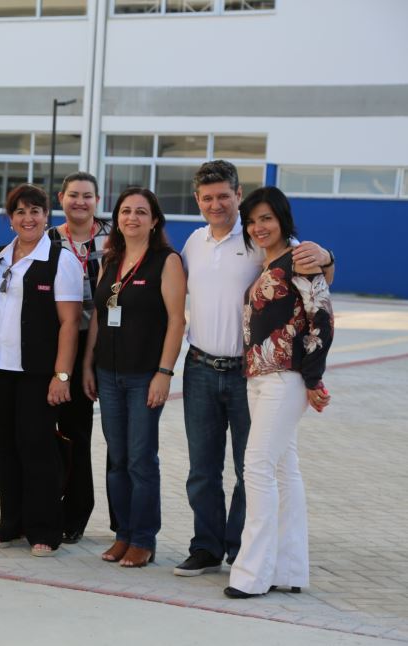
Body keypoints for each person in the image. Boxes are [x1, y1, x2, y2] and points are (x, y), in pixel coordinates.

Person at [175, 161, 335, 577]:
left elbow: (318, 278)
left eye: (223, 196)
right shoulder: (193, 243)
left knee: (253, 469)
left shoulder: (260, 240)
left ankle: (242, 550)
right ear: (198, 200)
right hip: (200, 368)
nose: (215, 204)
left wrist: (328, 255)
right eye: (207, 198)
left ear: (237, 194)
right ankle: (206, 547)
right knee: (202, 469)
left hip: (251, 374)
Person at [225, 187, 333, 599]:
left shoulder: (301, 259)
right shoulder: (268, 261)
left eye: (267, 218)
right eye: (252, 221)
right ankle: (288, 570)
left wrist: (312, 379)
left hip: (284, 378)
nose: (258, 227)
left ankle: (251, 574)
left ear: (283, 219)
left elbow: (321, 318)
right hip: (260, 377)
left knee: (256, 467)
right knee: (285, 471)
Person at [0, 184, 82, 557]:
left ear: (46, 216)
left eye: (35, 211)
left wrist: (62, 375)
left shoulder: (60, 260)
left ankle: (45, 529)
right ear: (10, 219)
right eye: (20, 212)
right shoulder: (0, 258)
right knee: (8, 448)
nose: (28, 218)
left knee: (37, 448)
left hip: (37, 372)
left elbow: (69, 324)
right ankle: (11, 523)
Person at [83, 187, 186, 568]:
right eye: (125, 211)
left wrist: (164, 372)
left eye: (141, 212)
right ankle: (123, 534)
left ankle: (143, 539)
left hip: (145, 375)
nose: (132, 218)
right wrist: (86, 365)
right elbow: (98, 315)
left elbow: (177, 320)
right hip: (108, 375)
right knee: (117, 457)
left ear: (154, 220)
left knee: (141, 459)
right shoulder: (110, 259)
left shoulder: (167, 261)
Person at [48, 171, 115, 543]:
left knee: (87, 433)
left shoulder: (114, 236)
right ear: (61, 198)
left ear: (97, 199)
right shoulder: (47, 239)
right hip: (61, 342)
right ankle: (53, 506)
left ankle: (81, 512)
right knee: (58, 434)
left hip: (104, 342)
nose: (80, 202)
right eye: (73, 195)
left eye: (87, 196)